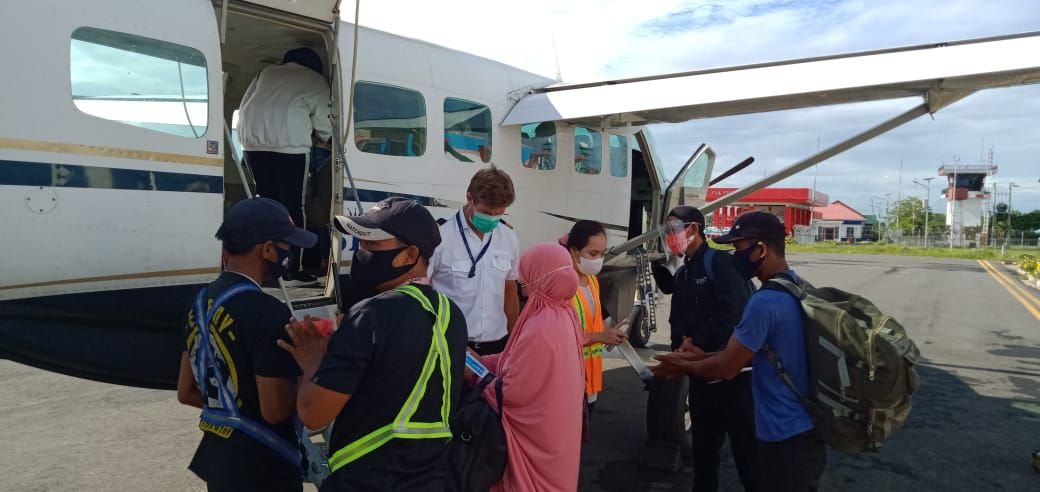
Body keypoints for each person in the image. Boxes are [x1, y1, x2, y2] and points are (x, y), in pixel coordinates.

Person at [278, 197, 468, 491]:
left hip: (366, 479)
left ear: (410, 254)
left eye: (372, 245)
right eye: (360, 244)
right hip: (431, 479)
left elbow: (314, 414)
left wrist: (313, 361)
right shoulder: (450, 314)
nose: (361, 253)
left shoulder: (370, 315)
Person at [652, 211, 826, 492]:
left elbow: (729, 356)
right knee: (705, 456)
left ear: (761, 249)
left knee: (749, 460)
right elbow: (680, 318)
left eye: (739, 247)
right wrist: (684, 348)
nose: (736, 256)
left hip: (747, 392)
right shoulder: (795, 289)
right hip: (721, 386)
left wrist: (686, 360)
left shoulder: (754, 294)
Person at [176, 197, 317, 492]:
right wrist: (312, 365)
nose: (289, 253)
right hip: (264, 467)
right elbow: (275, 411)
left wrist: (234, 411)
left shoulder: (199, 303)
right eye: (287, 245)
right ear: (267, 249)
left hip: (220, 458)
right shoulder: (268, 313)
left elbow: (186, 392)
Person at [654, 206, 758, 492]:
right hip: (700, 379)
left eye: (674, 229)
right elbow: (676, 312)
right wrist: (679, 351)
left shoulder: (720, 263)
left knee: (748, 456)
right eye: (667, 231)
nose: (670, 236)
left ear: (693, 229)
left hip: (732, 378)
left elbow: (734, 311)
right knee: (704, 454)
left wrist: (697, 342)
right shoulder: (684, 272)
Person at [473, 243, 585, 491]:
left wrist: (475, 374)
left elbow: (510, 394)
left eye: (526, 273)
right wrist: (486, 361)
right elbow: (520, 360)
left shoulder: (540, 326)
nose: (522, 281)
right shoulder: (564, 313)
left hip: (533, 443)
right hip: (555, 436)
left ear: (540, 275)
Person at [238, 47, 333, 286]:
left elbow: (245, 103)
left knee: (266, 205)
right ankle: (292, 270)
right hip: (289, 144)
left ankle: (265, 267)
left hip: (252, 142)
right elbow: (324, 123)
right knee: (293, 207)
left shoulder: (266, 73)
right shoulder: (315, 80)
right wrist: (328, 139)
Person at [428, 165, 520, 355]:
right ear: (469, 198)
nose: (492, 219)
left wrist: (514, 340)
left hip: (498, 344)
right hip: (450, 343)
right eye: (485, 212)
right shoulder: (440, 237)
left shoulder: (508, 238)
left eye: (498, 214)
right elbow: (424, 293)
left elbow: (510, 290)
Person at [560, 220, 627, 415]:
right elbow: (557, 337)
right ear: (574, 251)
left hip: (590, 382)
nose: (598, 260)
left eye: (603, 254)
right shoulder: (561, 284)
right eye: (593, 253)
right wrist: (600, 336)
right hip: (568, 381)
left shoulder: (592, 281)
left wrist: (610, 334)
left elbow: (591, 323)